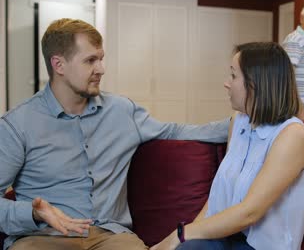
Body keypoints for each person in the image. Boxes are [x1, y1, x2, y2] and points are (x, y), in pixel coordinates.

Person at [0, 18, 229, 250]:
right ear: (59, 65)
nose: (101, 69)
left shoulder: (122, 111)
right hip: (43, 238)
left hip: (111, 236)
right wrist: (32, 213)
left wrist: (245, 121)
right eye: (90, 60)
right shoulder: (17, 124)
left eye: (101, 59)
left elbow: (176, 131)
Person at [151, 42, 304, 250]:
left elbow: (249, 212)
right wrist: (187, 236)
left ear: (256, 83)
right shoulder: (239, 121)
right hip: (227, 237)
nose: (227, 83)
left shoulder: (292, 134)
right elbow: (218, 195)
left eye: (234, 76)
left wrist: (180, 235)